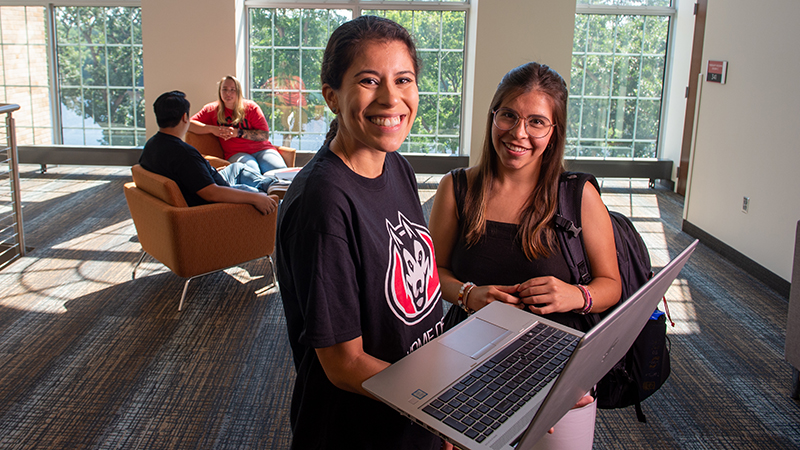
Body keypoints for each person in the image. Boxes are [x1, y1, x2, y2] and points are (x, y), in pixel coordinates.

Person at [428, 62, 622, 449]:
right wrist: (468, 294)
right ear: (493, 117)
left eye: (536, 122)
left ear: (553, 132)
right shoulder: (457, 188)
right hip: (471, 363)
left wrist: (575, 295)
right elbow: (434, 273)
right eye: (509, 116)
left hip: (559, 370)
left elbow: (611, 285)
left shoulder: (577, 195)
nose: (519, 133)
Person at [275, 16, 447, 450]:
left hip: (414, 410)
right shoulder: (324, 202)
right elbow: (345, 364)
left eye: (403, 79)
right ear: (332, 97)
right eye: (369, 81)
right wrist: (448, 407)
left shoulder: (397, 166)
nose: (392, 98)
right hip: (359, 430)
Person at [139, 91, 278, 215]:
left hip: (211, 181)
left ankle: (275, 185)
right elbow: (212, 193)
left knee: (238, 168)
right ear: (184, 117)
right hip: (220, 198)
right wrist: (256, 198)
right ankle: (276, 194)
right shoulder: (185, 154)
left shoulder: (151, 145)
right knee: (265, 196)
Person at [189, 75, 288, 174]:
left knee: (280, 172)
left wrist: (238, 133)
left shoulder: (251, 107)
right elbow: (189, 124)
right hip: (236, 153)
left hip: (263, 150)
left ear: (239, 92)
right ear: (220, 91)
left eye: (233, 90)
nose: (228, 93)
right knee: (251, 172)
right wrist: (212, 129)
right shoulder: (211, 109)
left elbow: (264, 135)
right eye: (224, 89)